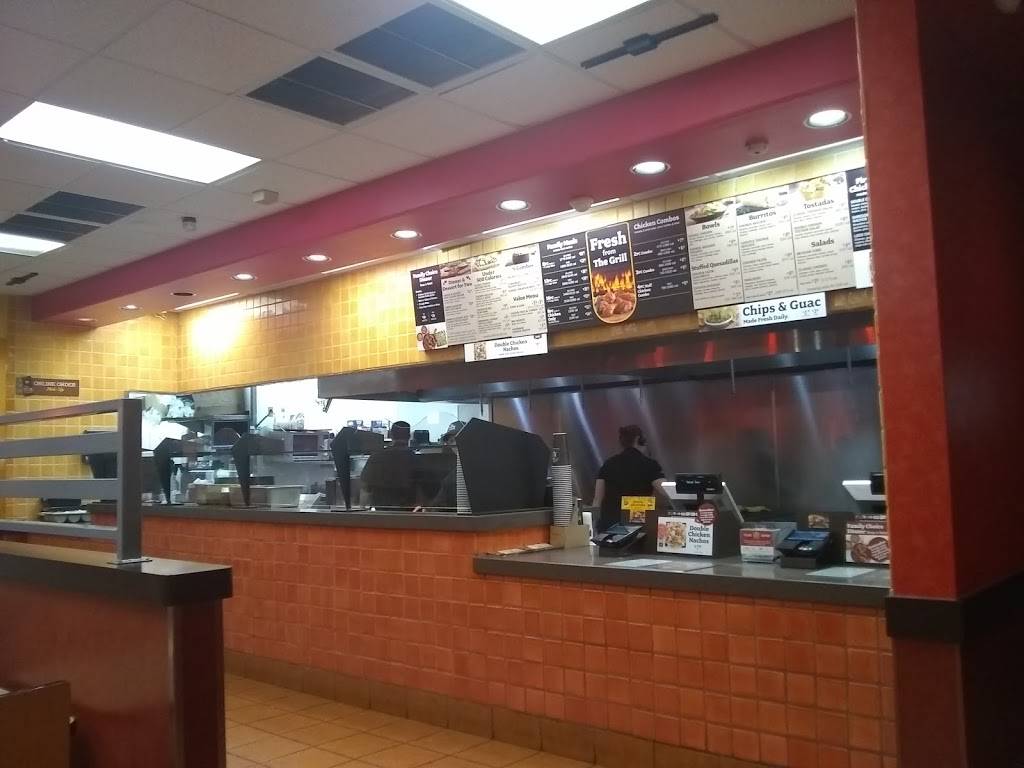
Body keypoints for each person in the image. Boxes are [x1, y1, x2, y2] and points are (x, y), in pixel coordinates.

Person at [592, 425, 670, 532]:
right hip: (636, 524)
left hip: (609, 525)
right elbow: (665, 489)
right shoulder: (649, 464)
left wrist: (593, 523)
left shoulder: (608, 464)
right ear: (638, 439)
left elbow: (597, 499)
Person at [359, 421, 415, 507]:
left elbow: (365, 487)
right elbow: (421, 489)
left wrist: (362, 509)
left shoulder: (377, 456)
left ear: (391, 435)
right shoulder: (414, 458)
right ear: (409, 436)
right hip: (408, 510)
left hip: (382, 509)